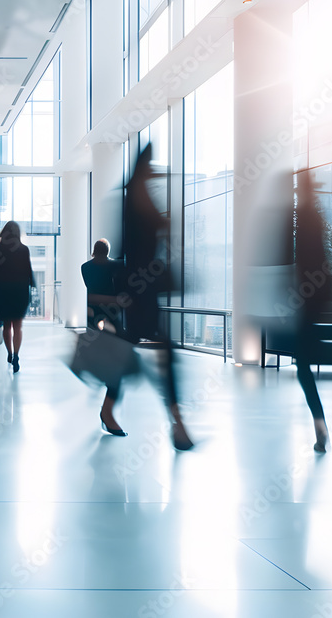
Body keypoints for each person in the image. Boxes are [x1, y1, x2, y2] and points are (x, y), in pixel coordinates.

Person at [119, 144, 193, 451]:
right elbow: (154, 232)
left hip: (139, 289)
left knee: (132, 349)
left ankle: (175, 421)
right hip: (142, 290)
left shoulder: (133, 196)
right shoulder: (139, 199)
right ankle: (177, 422)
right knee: (161, 352)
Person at [294, 171, 332, 452]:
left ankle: (321, 428)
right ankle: (320, 427)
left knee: (303, 367)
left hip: (307, 301)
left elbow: (306, 263)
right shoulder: (314, 217)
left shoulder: (306, 217)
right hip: (312, 301)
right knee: (303, 365)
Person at [81, 238, 128, 436]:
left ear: (94, 251)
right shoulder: (116, 266)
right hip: (112, 315)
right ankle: (106, 411)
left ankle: (105, 407)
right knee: (117, 359)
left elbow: (90, 292)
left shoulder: (85, 267)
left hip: (94, 313)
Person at [0, 221, 33, 373]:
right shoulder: (24, 249)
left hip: (3, 291)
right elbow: (29, 271)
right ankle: (16, 355)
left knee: (6, 325)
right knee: (18, 326)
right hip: (20, 292)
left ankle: (9, 353)